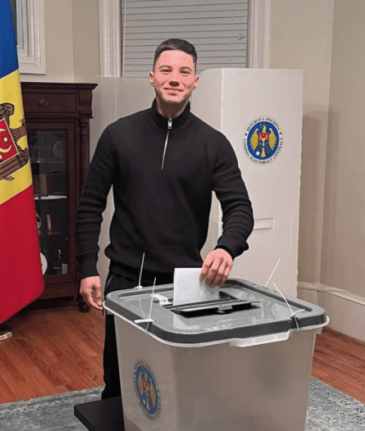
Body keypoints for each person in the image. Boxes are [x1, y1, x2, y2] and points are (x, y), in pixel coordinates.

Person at [75, 39, 254, 400]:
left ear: (195, 82)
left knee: (180, 383)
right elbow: (90, 205)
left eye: (184, 72)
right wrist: (87, 267)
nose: (175, 78)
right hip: (126, 282)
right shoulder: (118, 136)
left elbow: (240, 208)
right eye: (166, 70)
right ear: (152, 77)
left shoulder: (214, 144)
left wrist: (226, 247)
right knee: (121, 381)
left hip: (185, 283)